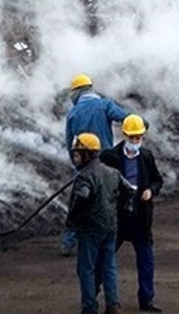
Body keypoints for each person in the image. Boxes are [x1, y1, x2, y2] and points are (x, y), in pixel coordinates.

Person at [100, 115, 164, 313]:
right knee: (104, 259)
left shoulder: (146, 156)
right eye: (132, 138)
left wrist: (150, 191)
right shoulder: (110, 157)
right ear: (124, 135)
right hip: (117, 217)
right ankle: (91, 297)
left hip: (140, 217)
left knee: (146, 260)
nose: (135, 142)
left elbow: (157, 180)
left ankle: (146, 300)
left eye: (138, 138)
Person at [63, 74, 129, 256]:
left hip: (83, 164)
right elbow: (124, 117)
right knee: (108, 199)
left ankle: (69, 241)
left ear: (77, 92)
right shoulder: (104, 105)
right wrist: (139, 123)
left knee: (78, 202)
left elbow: (70, 143)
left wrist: (76, 165)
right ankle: (109, 236)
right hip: (106, 163)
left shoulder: (73, 113)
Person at [67, 132, 133, 314]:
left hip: (90, 229)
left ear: (87, 154)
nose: (75, 157)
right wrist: (122, 207)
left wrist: (73, 219)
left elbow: (82, 196)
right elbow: (128, 190)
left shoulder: (84, 176)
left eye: (77, 154)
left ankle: (89, 307)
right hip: (110, 227)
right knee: (109, 267)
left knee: (86, 270)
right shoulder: (112, 173)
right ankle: (113, 304)